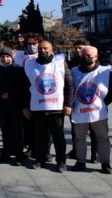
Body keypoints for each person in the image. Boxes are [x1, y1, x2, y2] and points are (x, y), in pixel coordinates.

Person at [22, 40, 74, 172]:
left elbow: (69, 84)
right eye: (40, 48)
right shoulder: (30, 65)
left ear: (51, 50)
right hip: (37, 107)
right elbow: (24, 87)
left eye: (45, 48)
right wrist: (25, 106)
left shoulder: (60, 63)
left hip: (56, 107)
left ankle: (61, 162)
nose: (42, 50)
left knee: (58, 136)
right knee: (39, 136)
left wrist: (68, 104)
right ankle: (40, 159)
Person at [70, 45, 112, 174]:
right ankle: (80, 161)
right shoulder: (74, 71)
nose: (86, 58)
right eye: (83, 55)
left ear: (96, 57)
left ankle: (105, 163)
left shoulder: (105, 72)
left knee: (103, 138)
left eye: (89, 56)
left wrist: (103, 103)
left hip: (98, 112)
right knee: (79, 138)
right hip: (79, 111)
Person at [0, 47, 26, 166]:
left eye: (7, 56)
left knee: (16, 131)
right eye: (2, 57)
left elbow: (22, 88)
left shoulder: (18, 70)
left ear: (12, 57)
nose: (5, 59)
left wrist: (10, 94)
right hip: (1, 105)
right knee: (5, 131)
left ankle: (19, 156)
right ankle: (6, 153)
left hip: (15, 106)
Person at [66, 39, 97, 163]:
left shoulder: (96, 63)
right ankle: (76, 151)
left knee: (94, 130)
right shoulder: (70, 64)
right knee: (76, 130)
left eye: (81, 48)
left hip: (92, 102)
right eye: (76, 48)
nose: (78, 50)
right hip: (76, 103)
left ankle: (96, 154)